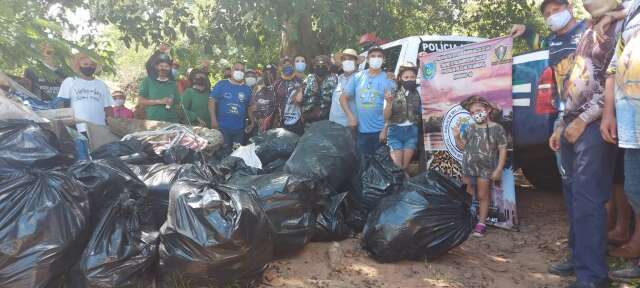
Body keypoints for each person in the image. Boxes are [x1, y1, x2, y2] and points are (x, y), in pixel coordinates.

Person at [548, 0, 623, 286]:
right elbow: (569, 83)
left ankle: (592, 277)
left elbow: (614, 81)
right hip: (570, 122)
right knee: (575, 198)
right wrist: (561, 123)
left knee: (589, 198)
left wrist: (584, 120)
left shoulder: (622, 25)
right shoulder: (588, 29)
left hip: (592, 126)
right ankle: (580, 260)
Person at [601, 0, 640, 281]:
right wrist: (608, 113)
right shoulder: (630, 13)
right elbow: (614, 67)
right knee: (634, 189)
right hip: (629, 118)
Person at [453, 96, 508, 238]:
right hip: (468, 167)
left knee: (483, 195)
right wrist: (457, 137)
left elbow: (502, 149)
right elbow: (463, 147)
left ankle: (481, 224)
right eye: (471, 112)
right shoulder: (470, 128)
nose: (475, 114)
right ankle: (468, 220)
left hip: (486, 168)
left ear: (488, 109)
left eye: (478, 110)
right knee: (468, 193)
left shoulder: (497, 128)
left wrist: (499, 169)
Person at [341, 46, 396, 156]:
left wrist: (385, 129)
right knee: (363, 165)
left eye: (379, 56)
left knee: (380, 166)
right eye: (373, 56)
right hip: (361, 131)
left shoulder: (388, 80)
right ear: (368, 59)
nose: (376, 59)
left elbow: (391, 107)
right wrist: (350, 116)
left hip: (380, 133)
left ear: (383, 60)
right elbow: (343, 98)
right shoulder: (358, 77)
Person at [383, 62, 421, 172]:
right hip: (395, 132)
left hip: (412, 132)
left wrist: (424, 61)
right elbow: (385, 117)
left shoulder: (419, 91)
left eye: (412, 77)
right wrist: (389, 103)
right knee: (397, 167)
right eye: (406, 77)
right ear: (400, 78)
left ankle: (405, 186)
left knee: (405, 167)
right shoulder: (392, 93)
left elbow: (432, 80)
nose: (409, 79)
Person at [56, 52, 113, 125]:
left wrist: (110, 124)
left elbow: (108, 108)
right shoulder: (70, 81)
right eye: (85, 64)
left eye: (92, 65)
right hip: (78, 127)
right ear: (79, 65)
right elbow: (61, 103)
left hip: (100, 128)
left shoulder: (102, 85)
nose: (89, 66)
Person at [209, 62, 255, 148]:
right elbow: (211, 101)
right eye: (237, 69)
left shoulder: (247, 89)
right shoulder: (221, 84)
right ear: (231, 71)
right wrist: (213, 120)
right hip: (222, 128)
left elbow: (249, 106)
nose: (239, 72)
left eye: (242, 70)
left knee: (236, 155)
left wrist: (252, 122)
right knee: (223, 154)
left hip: (239, 130)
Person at [137, 54, 180, 123]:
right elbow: (140, 100)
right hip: (153, 120)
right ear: (156, 67)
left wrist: (172, 101)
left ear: (170, 68)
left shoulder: (173, 83)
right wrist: (160, 101)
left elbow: (178, 102)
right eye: (161, 66)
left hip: (171, 121)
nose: (163, 69)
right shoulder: (148, 81)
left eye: (166, 66)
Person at [330, 49, 363, 126]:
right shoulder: (340, 78)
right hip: (334, 124)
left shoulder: (360, 78)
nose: (347, 61)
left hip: (349, 125)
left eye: (350, 59)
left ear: (356, 62)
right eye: (344, 59)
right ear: (341, 63)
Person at [302, 55, 338, 122]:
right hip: (308, 117)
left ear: (328, 67)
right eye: (317, 66)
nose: (320, 68)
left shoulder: (334, 79)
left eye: (323, 65)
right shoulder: (308, 78)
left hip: (326, 118)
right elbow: (300, 97)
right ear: (313, 66)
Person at [274, 56, 304, 135]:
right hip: (281, 122)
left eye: (289, 64)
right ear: (280, 67)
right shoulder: (276, 84)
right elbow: (274, 102)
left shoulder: (299, 81)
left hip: (297, 121)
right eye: (284, 64)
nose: (287, 66)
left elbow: (300, 100)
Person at [251, 64, 278, 134]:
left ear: (275, 74)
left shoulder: (279, 86)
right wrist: (259, 118)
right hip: (260, 122)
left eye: (271, 73)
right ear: (263, 74)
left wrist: (275, 120)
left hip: (274, 123)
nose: (268, 75)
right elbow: (252, 104)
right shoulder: (257, 86)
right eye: (266, 73)